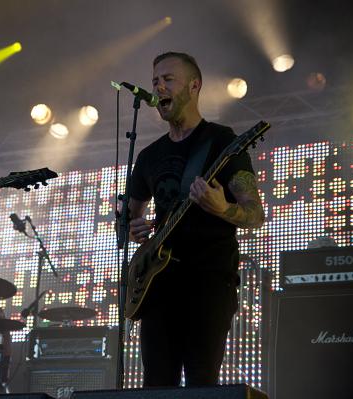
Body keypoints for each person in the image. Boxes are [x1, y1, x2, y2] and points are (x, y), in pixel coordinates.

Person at [127, 52, 265, 387]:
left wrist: (221, 208)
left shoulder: (221, 141)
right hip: (158, 288)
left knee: (202, 382)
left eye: (168, 79)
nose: (159, 86)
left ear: (194, 85)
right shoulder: (149, 156)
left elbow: (255, 213)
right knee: (157, 385)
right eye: (155, 81)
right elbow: (129, 214)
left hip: (208, 282)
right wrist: (133, 227)